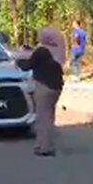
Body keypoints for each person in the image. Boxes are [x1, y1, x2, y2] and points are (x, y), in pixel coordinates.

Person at [17, 27, 65, 156]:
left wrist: (18, 59)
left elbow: (27, 66)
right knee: (49, 116)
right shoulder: (58, 50)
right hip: (56, 87)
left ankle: (45, 147)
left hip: (43, 86)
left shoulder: (42, 51)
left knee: (42, 118)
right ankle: (44, 143)